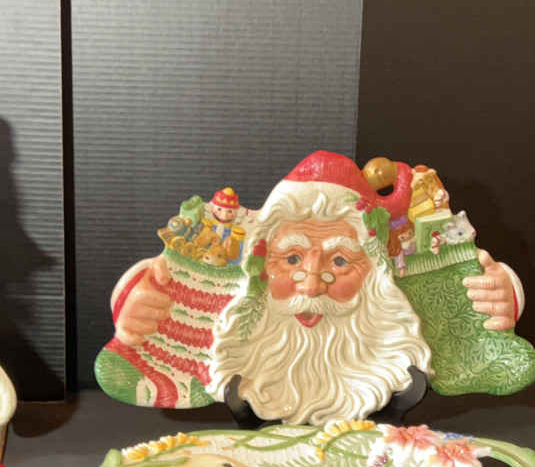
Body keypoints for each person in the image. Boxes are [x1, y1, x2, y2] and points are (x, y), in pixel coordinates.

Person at [112, 151, 524, 422]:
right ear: (262, 266)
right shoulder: (235, 325)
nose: (310, 287)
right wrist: (133, 299)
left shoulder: (400, 323)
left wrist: (503, 296)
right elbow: (153, 307)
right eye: (291, 259)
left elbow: (482, 339)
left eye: (339, 261)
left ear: (375, 276)